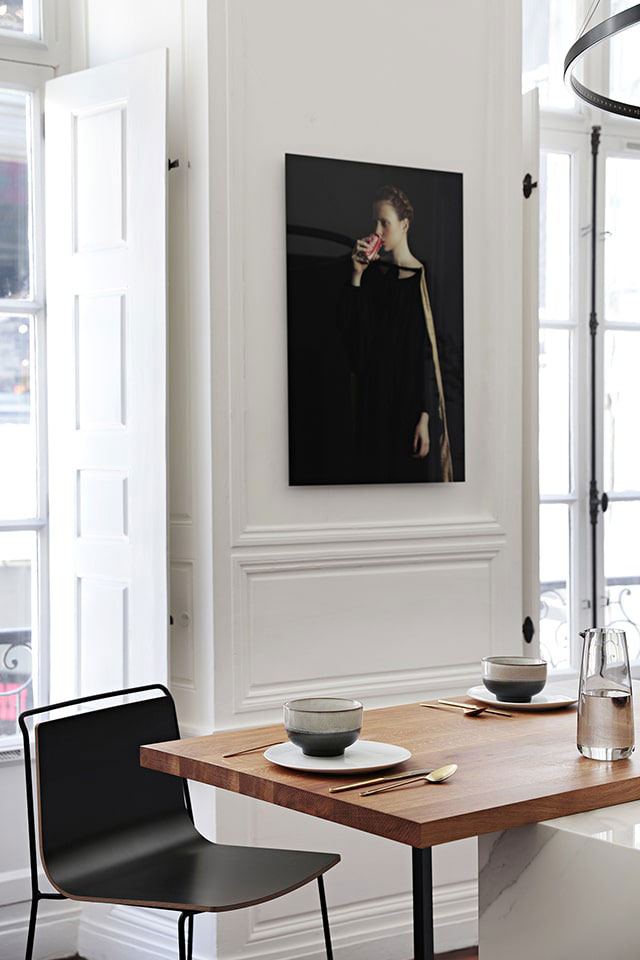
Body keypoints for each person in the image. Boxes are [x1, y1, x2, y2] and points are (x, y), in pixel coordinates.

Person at [341, 185, 453, 483]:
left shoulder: (426, 280)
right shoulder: (376, 279)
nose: (377, 231)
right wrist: (356, 276)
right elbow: (357, 348)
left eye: (384, 223)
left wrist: (425, 417)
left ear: (404, 225)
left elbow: (433, 356)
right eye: (374, 223)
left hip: (410, 410)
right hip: (373, 407)